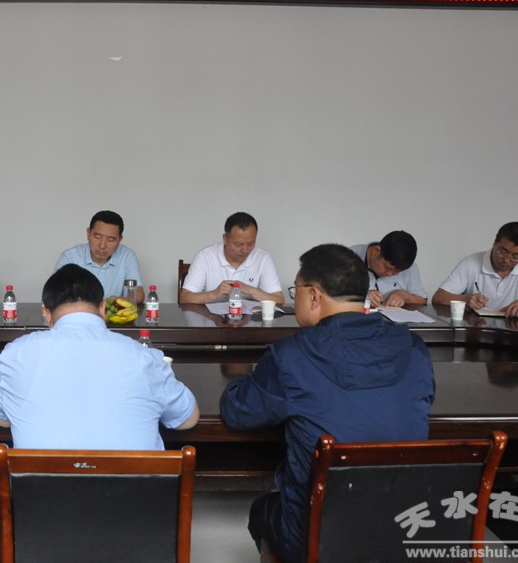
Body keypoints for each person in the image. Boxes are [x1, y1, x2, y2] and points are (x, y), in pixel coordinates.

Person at [219, 244, 434, 563]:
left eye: (296, 291)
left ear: (314, 295)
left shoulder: (293, 354)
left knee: (262, 510)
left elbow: (238, 412)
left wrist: (240, 381)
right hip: (406, 527)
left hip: (319, 538)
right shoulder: (414, 347)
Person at [0, 264, 199, 449]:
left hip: (41, 486)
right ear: (103, 309)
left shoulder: (15, 355)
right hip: (131, 485)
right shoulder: (144, 357)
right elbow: (187, 419)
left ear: (47, 314)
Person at [432, 222, 518, 318]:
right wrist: (466, 299)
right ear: (494, 243)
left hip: (516, 331)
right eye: (502, 251)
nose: (506, 260)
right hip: (475, 329)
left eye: (516, 256)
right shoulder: (471, 263)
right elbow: (438, 297)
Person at [179, 212, 284, 305]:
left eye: (251, 244)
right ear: (225, 239)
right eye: (239, 244)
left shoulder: (263, 258)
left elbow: (279, 299)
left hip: (248, 320)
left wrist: (251, 291)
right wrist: (214, 294)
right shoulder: (205, 257)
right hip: (211, 319)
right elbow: (184, 298)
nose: (245, 250)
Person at [55, 210, 145, 302]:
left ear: (119, 240)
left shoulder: (127, 256)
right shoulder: (70, 257)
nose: (102, 246)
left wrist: (114, 302)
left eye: (110, 240)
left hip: (113, 310)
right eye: (97, 237)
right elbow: (56, 294)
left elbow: (138, 294)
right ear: (88, 233)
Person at [350, 230, 427, 308]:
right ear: (376, 251)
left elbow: (423, 300)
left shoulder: (408, 266)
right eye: (388, 268)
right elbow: (341, 295)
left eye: (397, 272)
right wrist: (362, 296)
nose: (390, 274)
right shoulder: (348, 258)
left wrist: (405, 296)